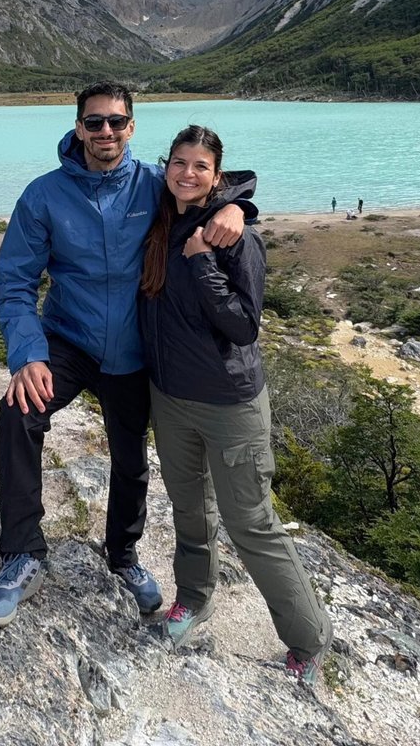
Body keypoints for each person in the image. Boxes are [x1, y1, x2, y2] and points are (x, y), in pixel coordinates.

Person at [0, 82, 254, 629]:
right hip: (69, 341)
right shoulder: (43, 196)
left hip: (134, 349)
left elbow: (214, 187)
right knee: (18, 414)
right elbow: (14, 282)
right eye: (95, 122)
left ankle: (122, 556)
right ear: (79, 127)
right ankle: (23, 553)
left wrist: (240, 210)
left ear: (132, 127)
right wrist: (28, 353)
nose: (106, 131)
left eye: (117, 122)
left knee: (131, 461)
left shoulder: (155, 184)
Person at [140, 125, 332, 684]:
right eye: (179, 162)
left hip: (229, 403)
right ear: (167, 166)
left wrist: (204, 258)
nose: (187, 174)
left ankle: (308, 640)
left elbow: (244, 327)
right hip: (170, 396)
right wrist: (240, 204)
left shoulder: (233, 237)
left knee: (251, 523)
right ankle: (195, 600)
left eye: (201, 166)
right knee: (190, 511)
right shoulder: (160, 214)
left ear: (216, 175)